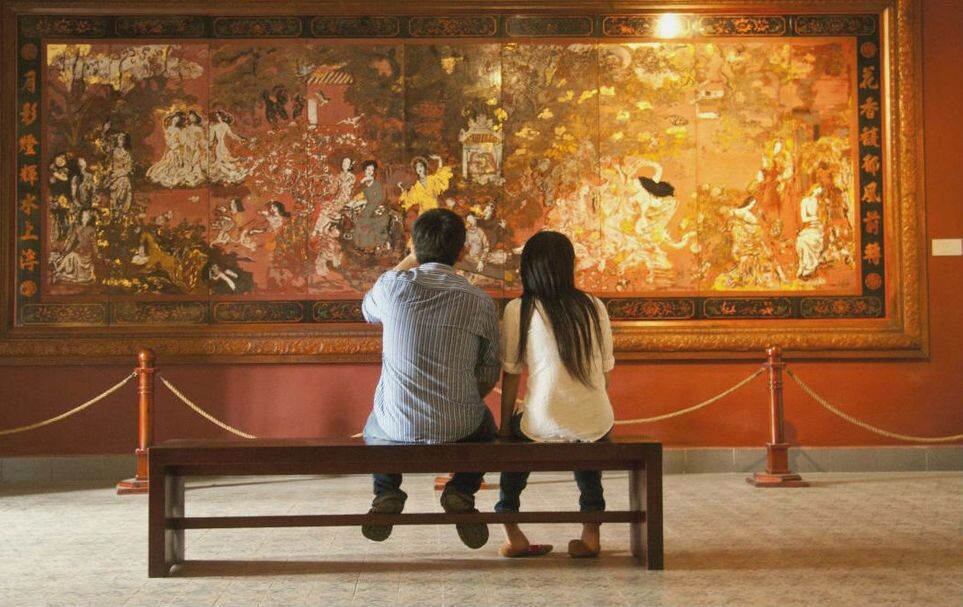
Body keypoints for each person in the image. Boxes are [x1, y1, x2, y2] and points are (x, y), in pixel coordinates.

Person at [361, 208, 501, 549]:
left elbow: (367, 310)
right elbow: (488, 372)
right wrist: (457, 401)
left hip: (396, 428)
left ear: (413, 245)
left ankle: (387, 492)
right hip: (460, 427)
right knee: (487, 428)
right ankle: (461, 491)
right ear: (463, 252)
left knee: (374, 425)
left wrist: (412, 256)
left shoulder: (391, 288)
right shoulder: (480, 301)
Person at [496, 231, 615, 559]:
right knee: (585, 439)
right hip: (597, 419)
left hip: (542, 421)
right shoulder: (594, 306)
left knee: (516, 443)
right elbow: (605, 373)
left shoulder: (520, 309)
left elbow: (511, 374)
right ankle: (590, 533)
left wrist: (505, 427)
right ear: (568, 266)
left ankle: (512, 529)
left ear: (527, 268)